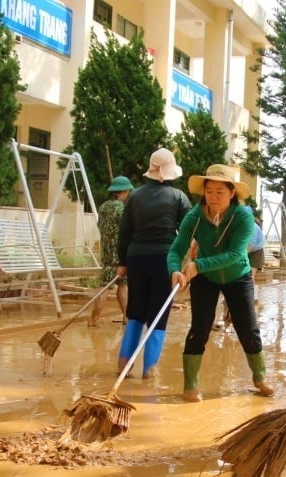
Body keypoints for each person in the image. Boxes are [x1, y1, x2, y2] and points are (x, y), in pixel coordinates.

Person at [168, 164, 274, 402]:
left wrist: (197, 265)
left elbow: (236, 254)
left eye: (220, 192)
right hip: (206, 279)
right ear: (203, 192)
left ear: (232, 193)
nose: (213, 197)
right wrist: (175, 269)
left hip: (238, 276)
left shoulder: (243, 217)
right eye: (209, 191)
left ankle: (260, 377)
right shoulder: (194, 217)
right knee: (199, 329)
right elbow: (177, 248)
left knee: (248, 328)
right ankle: (190, 386)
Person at [117, 148, 192, 379]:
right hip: (165, 261)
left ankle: (124, 363)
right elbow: (188, 230)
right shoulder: (179, 197)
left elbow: (124, 232)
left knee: (136, 311)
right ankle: (149, 368)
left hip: (136, 258)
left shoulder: (134, 196)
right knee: (159, 313)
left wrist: (122, 262)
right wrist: (185, 263)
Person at [89, 176, 133, 327]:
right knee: (114, 285)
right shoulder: (122, 209)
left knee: (114, 284)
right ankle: (94, 318)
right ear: (125, 191)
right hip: (120, 255)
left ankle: (125, 317)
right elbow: (128, 230)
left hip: (107, 253)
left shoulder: (103, 207)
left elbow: (100, 226)